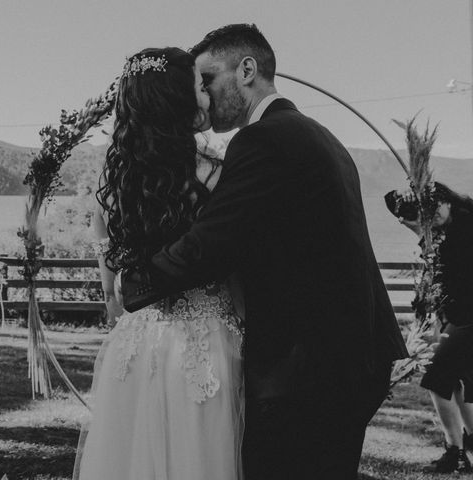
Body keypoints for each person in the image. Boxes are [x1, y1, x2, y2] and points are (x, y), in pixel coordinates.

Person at [119, 24, 409, 480]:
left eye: (209, 79)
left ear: (247, 70)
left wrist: (130, 283)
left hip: (309, 368)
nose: (206, 97)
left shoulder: (264, 140)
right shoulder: (319, 135)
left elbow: (210, 242)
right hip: (353, 355)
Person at [73, 47, 245, 480]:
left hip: (132, 351)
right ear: (178, 102)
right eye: (198, 87)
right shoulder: (219, 174)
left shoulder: (112, 187)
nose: (205, 95)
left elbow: (113, 300)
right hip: (205, 349)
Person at [393, 183, 473, 473]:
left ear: (449, 201)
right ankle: (463, 449)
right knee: (457, 380)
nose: (432, 212)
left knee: (437, 374)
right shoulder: (449, 229)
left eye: (436, 205)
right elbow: (391, 201)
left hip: (469, 317)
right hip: (458, 315)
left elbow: (444, 266)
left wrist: (420, 233)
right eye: (427, 208)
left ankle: (455, 451)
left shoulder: (465, 226)